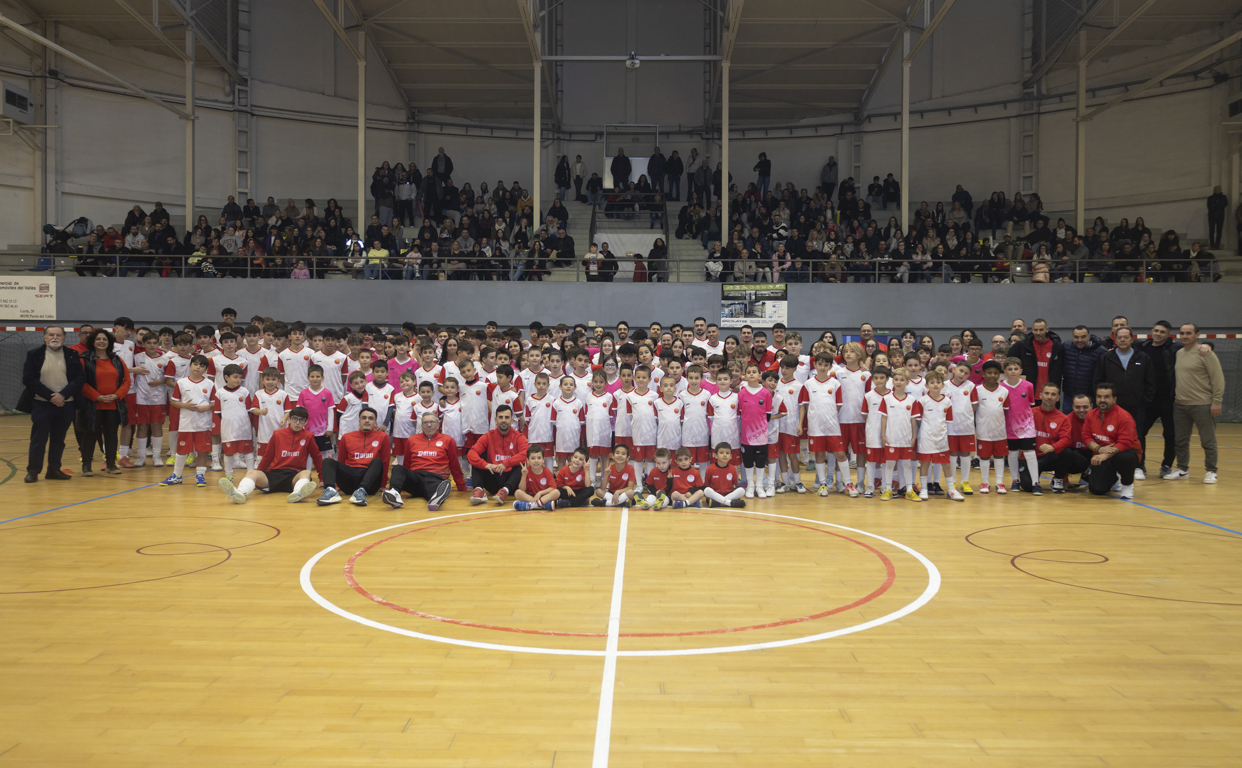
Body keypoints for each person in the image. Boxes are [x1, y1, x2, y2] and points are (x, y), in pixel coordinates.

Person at [218, 406, 323, 504]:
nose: (297, 422)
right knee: (251, 472)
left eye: (301, 420)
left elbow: (317, 457)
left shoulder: (309, 436)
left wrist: (322, 479)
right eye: (295, 419)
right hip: (274, 474)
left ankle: (298, 493)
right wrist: (256, 479)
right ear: (289, 419)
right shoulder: (277, 434)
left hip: (294, 476)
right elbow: (267, 457)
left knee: (307, 473)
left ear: (306, 422)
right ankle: (240, 493)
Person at [21, 326, 85, 483]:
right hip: (42, 403)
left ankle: (54, 470)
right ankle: (33, 471)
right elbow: (29, 379)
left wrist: (63, 395)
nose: (55, 337)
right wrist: (51, 396)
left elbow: (79, 378)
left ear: (64, 338)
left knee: (59, 439)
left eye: (58, 335)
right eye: (51, 335)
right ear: (44, 337)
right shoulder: (34, 354)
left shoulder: (72, 355)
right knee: (39, 439)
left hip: (66, 404)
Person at [1164, 323, 1224, 484]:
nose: (1185, 336)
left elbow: (1218, 379)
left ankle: (1211, 471)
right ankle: (1183, 469)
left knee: (1207, 440)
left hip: (1202, 405)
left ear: (1197, 335)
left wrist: (1217, 402)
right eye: (1182, 333)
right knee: (1180, 440)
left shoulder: (1207, 354)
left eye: (1189, 333)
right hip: (1180, 405)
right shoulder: (1179, 353)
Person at [1091, 326, 1154, 477]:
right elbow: (1097, 382)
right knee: (1110, 436)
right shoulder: (1106, 358)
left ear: (1132, 339)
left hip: (1136, 407)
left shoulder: (1143, 358)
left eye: (1126, 337)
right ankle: (1112, 465)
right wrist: (1104, 402)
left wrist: (1143, 402)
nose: (1123, 340)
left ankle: (1138, 466)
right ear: (1115, 339)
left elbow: (1150, 383)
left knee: (1137, 436)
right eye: (1120, 337)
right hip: (1112, 409)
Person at [381, 412, 465, 510]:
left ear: (438, 425)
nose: (429, 425)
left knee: (436, 487)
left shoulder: (448, 440)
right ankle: (395, 494)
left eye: (432, 422)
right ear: (421, 425)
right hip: (416, 478)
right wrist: (403, 482)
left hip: (436, 477)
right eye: (425, 422)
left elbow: (454, 465)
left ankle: (435, 499)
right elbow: (407, 464)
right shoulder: (412, 440)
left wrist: (461, 486)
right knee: (398, 468)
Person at [77, 328, 131, 476]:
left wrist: (117, 395)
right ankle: (86, 466)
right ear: (93, 342)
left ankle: (111, 464)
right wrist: (96, 396)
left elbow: (126, 380)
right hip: (92, 404)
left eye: (105, 339)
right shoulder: (84, 359)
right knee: (90, 435)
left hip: (113, 405)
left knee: (111, 435)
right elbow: (80, 382)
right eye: (98, 339)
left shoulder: (117, 360)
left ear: (109, 342)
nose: (101, 342)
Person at [318, 407, 390, 506]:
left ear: (375, 422)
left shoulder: (383, 437)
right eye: (364, 418)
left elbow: (385, 461)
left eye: (371, 418)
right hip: (350, 479)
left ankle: (361, 491)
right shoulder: (347, 437)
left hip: (370, 482)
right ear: (359, 421)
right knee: (327, 461)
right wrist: (338, 484)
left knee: (377, 461)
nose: (367, 421)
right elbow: (341, 461)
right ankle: (330, 491)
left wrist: (382, 485)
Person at [1136, 320, 1179, 477]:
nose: (1158, 334)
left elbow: (1193, 348)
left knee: (1170, 434)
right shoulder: (1142, 347)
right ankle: (1140, 465)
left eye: (1162, 332)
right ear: (1152, 331)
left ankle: (1167, 465)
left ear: (1168, 335)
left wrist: (1208, 345)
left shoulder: (1174, 348)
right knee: (1140, 433)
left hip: (1167, 399)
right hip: (1148, 400)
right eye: (1156, 330)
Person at [1084, 383, 1139, 499]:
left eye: (1106, 397)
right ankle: (1114, 478)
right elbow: (1086, 436)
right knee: (1097, 489)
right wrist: (1099, 449)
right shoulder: (1090, 415)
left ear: (1114, 399)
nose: (1102, 400)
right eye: (1099, 396)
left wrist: (1105, 455)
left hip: (1122, 453)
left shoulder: (1124, 417)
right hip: (1102, 454)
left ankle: (1127, 485)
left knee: (1126, 457)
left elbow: (1125, 442)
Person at [466, 404, 529, 505]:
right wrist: (486, 465)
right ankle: (479, 490)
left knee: (522, 464)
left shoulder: (519, 437)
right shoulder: (488, 436)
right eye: (500, 417)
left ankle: (505, 490)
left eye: (507, 417)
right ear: (495, 420)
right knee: (478, 458)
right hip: (492, 480)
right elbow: (471, 454)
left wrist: (506, 464)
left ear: (512, 421)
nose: (503, 420)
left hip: (512, 482)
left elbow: (526, 453)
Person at [1060, 325, 1106, 412]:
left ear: (1089, 336)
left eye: (1083, 337)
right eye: (1076, 337)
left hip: (1090, 397)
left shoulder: (1101, 351)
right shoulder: (1066, 347)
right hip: (1069, 396)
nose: (1080, 340)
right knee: (1068, 423)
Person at [1207, 185, 1228, 249]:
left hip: (1220, 216)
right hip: (1212, 216)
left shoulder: (1224, 197)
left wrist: (1216, 206)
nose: (1217, 190)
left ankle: (1217, 245)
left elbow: (1225, 204)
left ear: (1221, 190)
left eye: (1218, 189)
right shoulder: (1210, 197)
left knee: (1219, 230)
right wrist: (1218, 206)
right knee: (1212, 230)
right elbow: (1209, 206)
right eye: (1215, 189)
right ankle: (1212, 244)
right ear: (1213, 190)